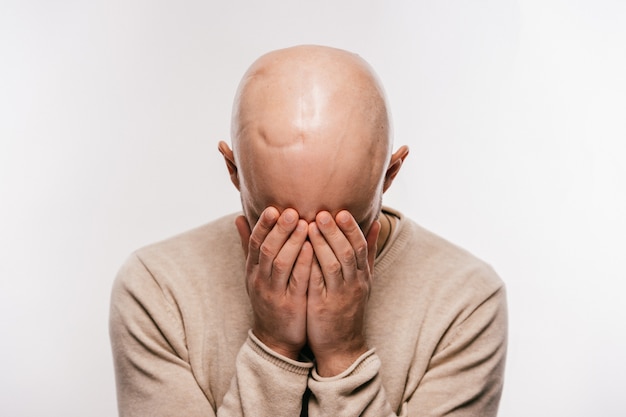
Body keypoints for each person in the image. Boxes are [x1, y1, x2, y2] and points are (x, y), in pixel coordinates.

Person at [109, 45, 507, 417]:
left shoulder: (466, 301)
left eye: (339, 226)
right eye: (279, 225)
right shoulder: (156, 290)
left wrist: (343, 355)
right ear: (234, 173)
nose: (306, 253)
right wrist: (272, 348)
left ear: (389, 175)